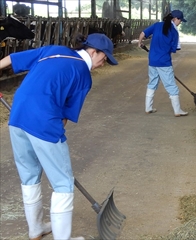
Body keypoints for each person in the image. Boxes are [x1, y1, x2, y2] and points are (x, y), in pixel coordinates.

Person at [0, 33, 118, 240]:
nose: (104, 61)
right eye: (104, 56)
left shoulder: (53, 50)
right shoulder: (83, 75)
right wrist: (53, 140)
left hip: (17, 116)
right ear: (93, 51)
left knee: (29, 176)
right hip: (44, 122)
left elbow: (13, 59)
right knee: (63, 183)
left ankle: (36, 229)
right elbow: (65, 117)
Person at [138, 10, 188, 117]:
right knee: (171, 86)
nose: (180, 23)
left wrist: (139, 42)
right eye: (180, 21)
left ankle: (148, 108)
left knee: (152, 83)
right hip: (164, 62)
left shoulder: (157, 25)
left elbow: (143, 33)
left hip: (152, 60)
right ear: (175, 19)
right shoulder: (174, 32)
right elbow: (175, 49)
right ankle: (177, 110)